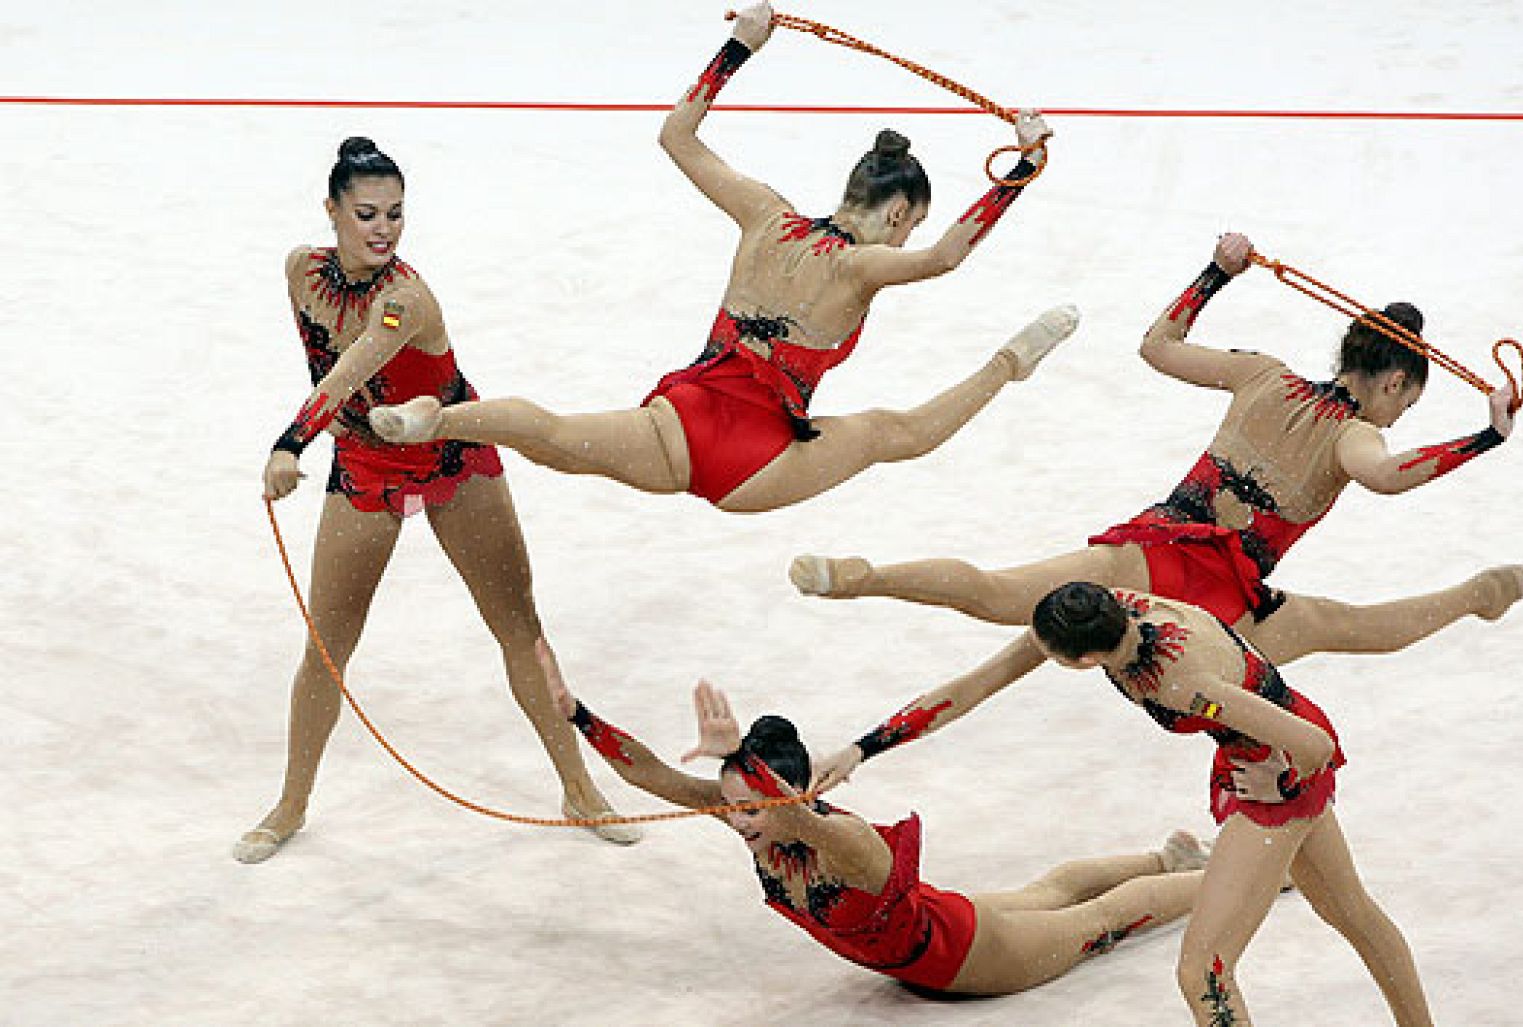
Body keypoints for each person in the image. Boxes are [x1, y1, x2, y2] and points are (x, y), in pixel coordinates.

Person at [368, 2, 1075, 514]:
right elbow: (947, 257)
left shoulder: (764, 215)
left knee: (552, 434)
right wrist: (1021, 166)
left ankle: (443, 416)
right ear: (897, 214)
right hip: (756, 460)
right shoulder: (859, 266)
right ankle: (1011, 363)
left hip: (680, 416)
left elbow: (678, 136)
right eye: (908, 226)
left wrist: (739, 48)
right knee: (901, 434)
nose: (905, 240)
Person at [789, 231, 1523, 665]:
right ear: (1391, 388)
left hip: (1148, 553)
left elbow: (1158, 345)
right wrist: (1485, 436)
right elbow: (1385, 476)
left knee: (995, 592)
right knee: (1348, 628)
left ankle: (864, 576)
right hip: (1221, 604)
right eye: (1407, 405)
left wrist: (1215, 273)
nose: (1399, 420)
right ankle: (1477, 598)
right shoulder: (1357, 435)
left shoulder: (1262, 375)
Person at [236, 137, 636, 864]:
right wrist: (314, 443)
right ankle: (290, 803)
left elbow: (349, 368)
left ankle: (580, 788)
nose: (383, 228)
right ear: (331, 210)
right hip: (365, 459)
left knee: (520, 627)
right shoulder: (300, 271)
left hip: (451, 446)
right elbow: (330, 358)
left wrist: (290, 442)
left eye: (395, 213)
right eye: (366, 213)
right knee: (327, 647)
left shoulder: (407, 299)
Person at [812, 582, 1435, 1024]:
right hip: (1252, 751)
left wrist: (1276, 777)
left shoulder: (1183, 682)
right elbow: (975, 686)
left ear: (1082, 661)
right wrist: (864, 748)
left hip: (1278, 776)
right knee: (1352, 913)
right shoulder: (1105, 607)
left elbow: (1313, 743)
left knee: (1203, 973)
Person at [551, 676, 1214, 996]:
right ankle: (1167, 856)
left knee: (1101, 918)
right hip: (937, 930)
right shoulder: (754, 820)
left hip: (975, 960)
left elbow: (798, 817)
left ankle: (1254, 873)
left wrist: (748, 768)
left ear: (795, 795)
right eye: (732, 806)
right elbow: (657, 779)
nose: (738, 819)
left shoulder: (848, 843)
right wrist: (579, 714)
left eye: (753, 806)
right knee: (1049, 888)